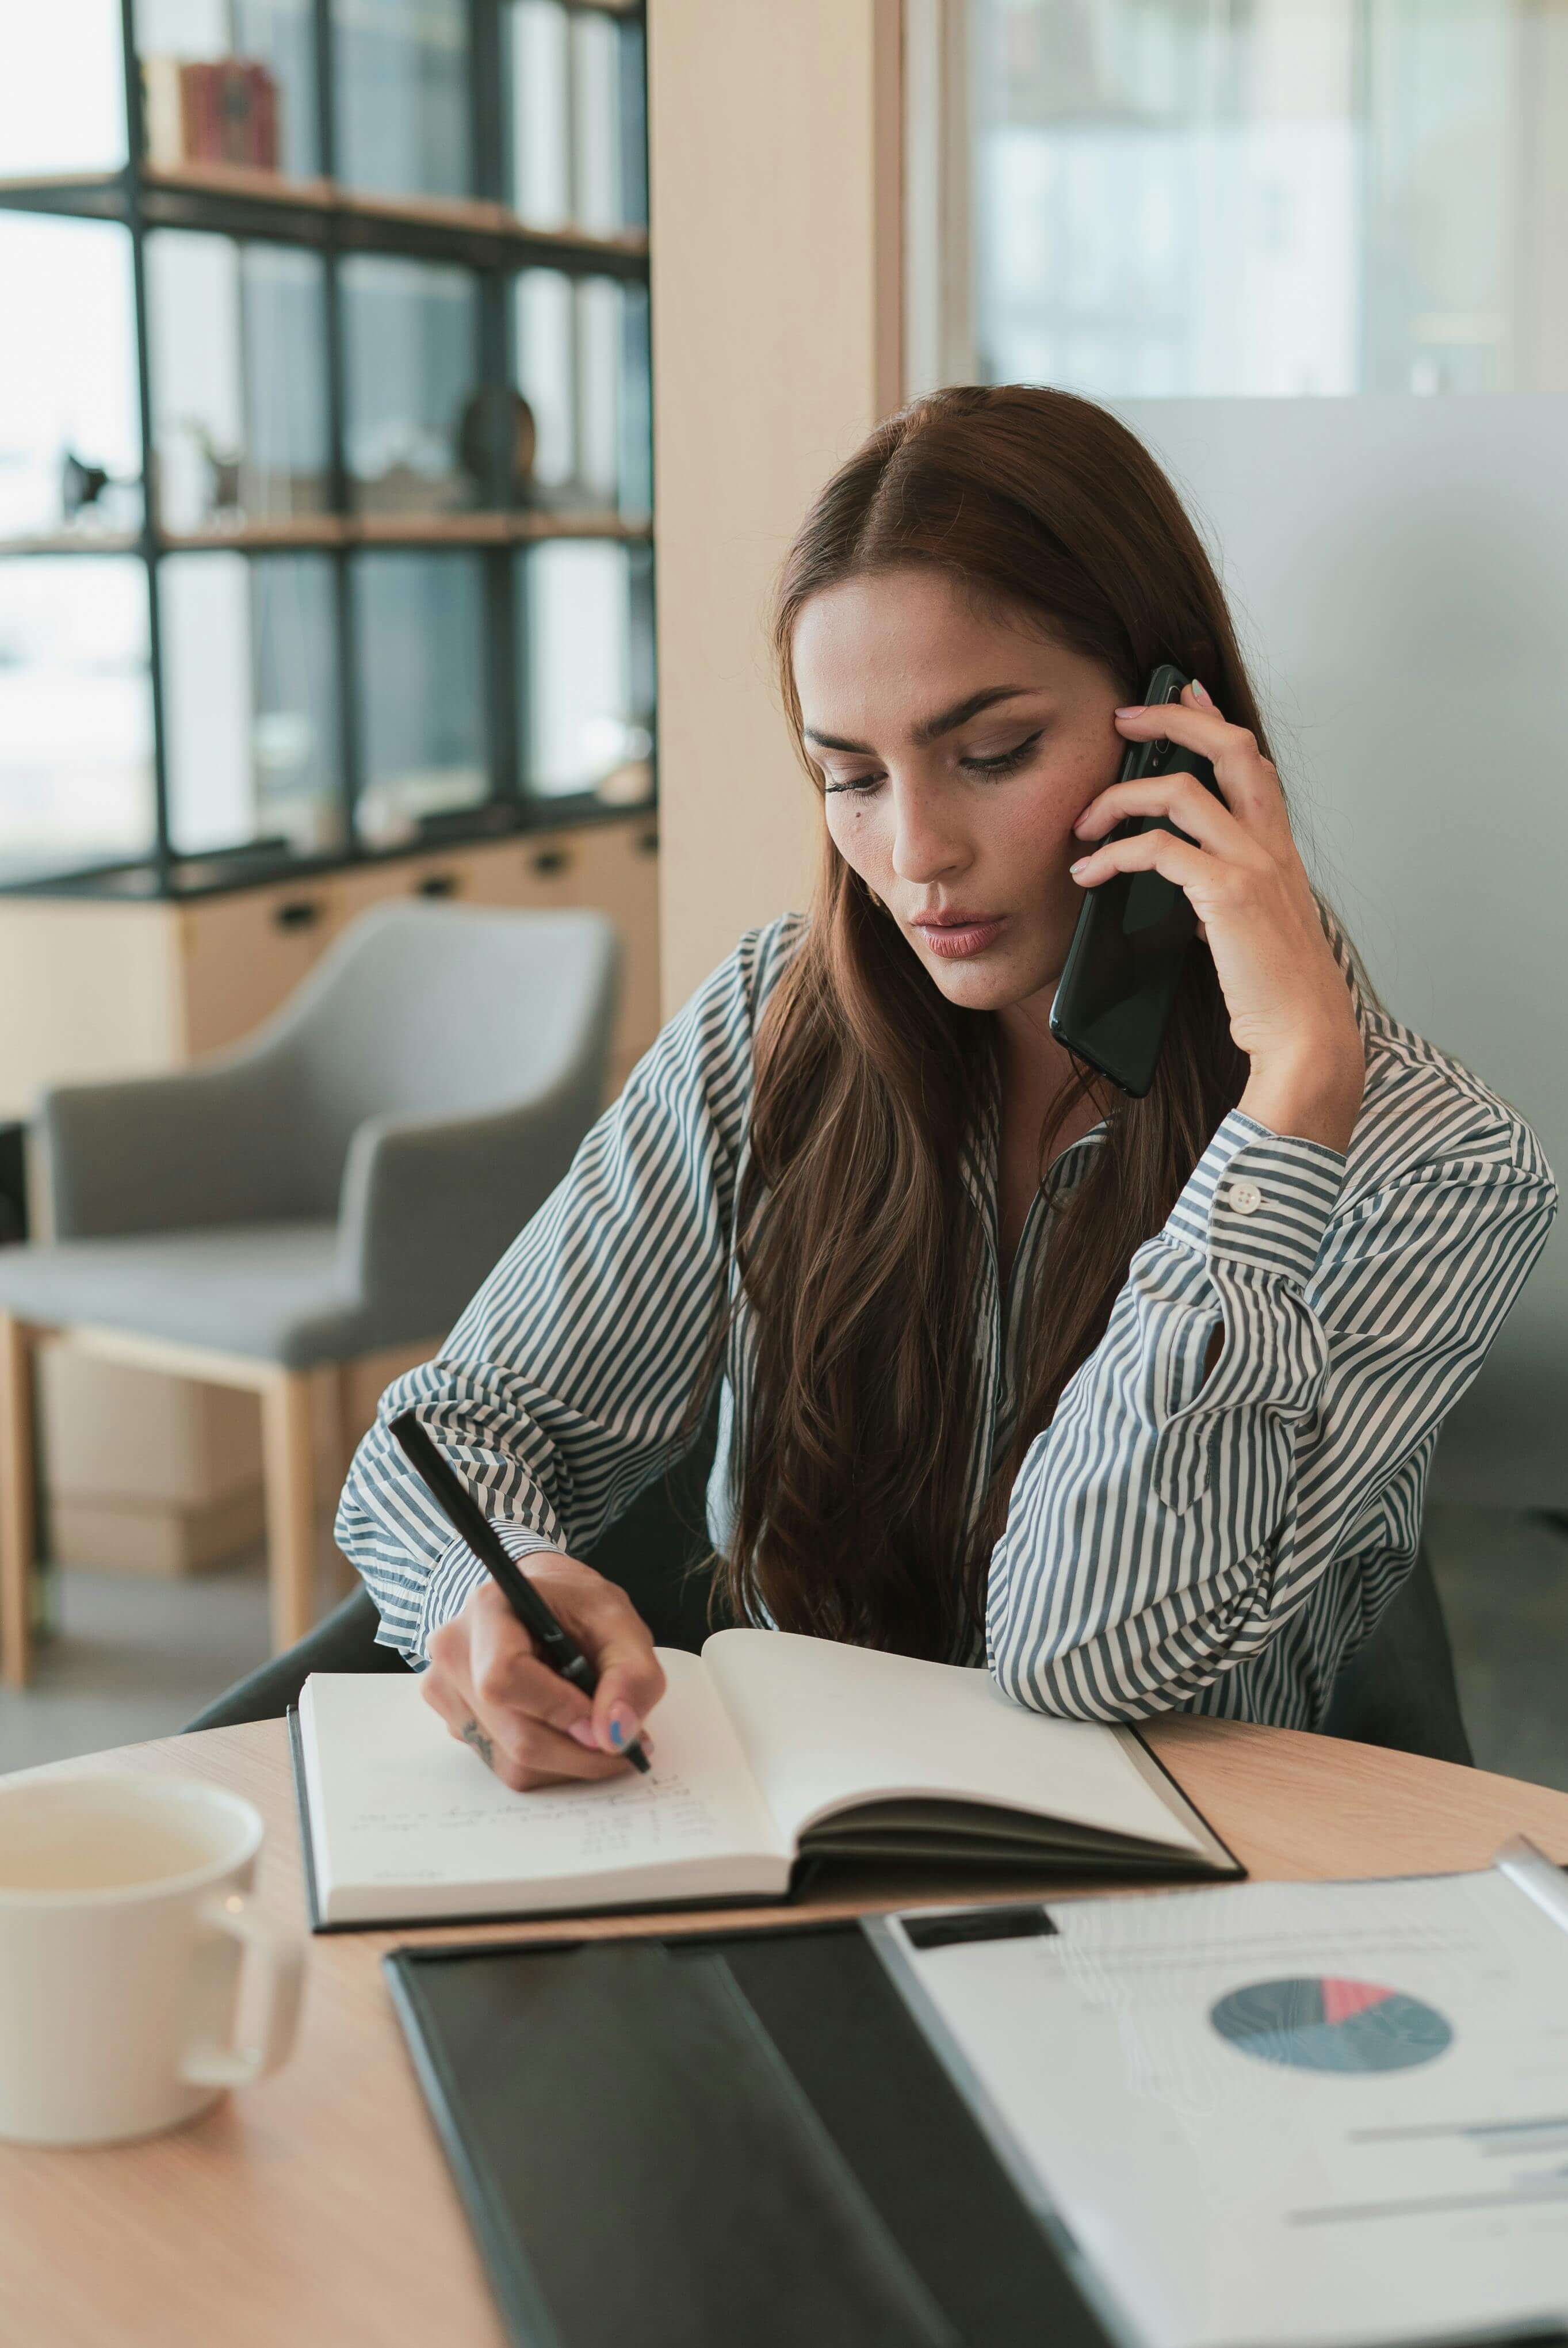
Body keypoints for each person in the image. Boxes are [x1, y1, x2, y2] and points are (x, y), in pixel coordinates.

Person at [336, 384, 1555, 1791]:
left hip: (1205, 1924)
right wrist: (497, 1588)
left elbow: (1081, 1654)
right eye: (849, 777)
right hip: (817, 1865)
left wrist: (1285, 1109)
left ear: (1173, 731)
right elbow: (456, 1432)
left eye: (991, 756)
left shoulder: (1433, 1163)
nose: (915, 853)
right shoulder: (770, 1024)